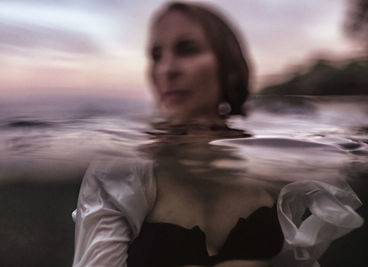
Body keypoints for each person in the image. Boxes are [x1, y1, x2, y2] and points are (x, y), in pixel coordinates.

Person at [72, 2, 283, 266]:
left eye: (187, 49)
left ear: (229, 69)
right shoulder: (120, 169)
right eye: (157, 55)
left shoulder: (276, 155)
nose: (167, 69)